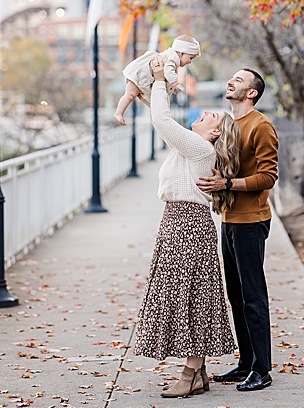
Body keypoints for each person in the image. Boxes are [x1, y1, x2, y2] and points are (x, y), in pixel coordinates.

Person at [131, 54, 240, 398]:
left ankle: (190, 372)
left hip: (187, 227)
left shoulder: (200, 148)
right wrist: (160, 83)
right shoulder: (193, 148)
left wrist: (162, 79)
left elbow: (161, 120)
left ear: (216, 132)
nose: (204, 114)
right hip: (180, 224)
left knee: (189, 297)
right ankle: (199, 372)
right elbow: (161, 116)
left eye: (211, 115)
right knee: (191, 296)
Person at [196, 69, 279, 392]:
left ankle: (262, 369)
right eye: (231, 78)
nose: (231, 81)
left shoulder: (261, 125)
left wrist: (226, 183)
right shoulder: (229, 125)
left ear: (252, 93)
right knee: (236, 295)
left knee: (253, 298)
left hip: (251, 221)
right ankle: (246, 363)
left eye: (239, 80)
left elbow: (267, 177)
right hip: (229, 220)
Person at [114, 34, 201, 126]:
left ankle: (119, 113)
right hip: (140, 76)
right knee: (129, 95)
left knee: (130, 95)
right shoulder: (173, 58)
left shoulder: (172, 56)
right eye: (190, 58)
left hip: (144, 77)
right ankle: (119, 113)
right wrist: (175, 83)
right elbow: (168, 71)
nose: (190, 61)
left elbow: (168, 75)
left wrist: (172, 86)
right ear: (181, 53)